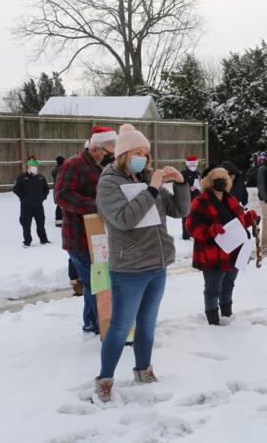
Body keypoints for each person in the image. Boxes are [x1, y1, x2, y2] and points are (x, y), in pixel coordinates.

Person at [93, 123, 190, 402]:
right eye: (138, 152)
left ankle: (143, 370)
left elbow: (180, 210)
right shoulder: (109, 182)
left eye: (147, 153)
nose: (145, 158)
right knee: (121, 326)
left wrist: (181, 183)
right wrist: (151, 189)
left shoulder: (147, 176)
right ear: (123, 154)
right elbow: (124, 219)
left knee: (148, 323)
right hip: (130, 268)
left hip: (157, 265)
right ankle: (105, 379)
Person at [56, 126, 117, 334]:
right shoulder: (74, 165)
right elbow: (62, 196)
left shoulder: (101, 167)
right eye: (109, 152)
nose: (112, 157)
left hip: (98, 236)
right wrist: (96, 205)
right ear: (96, 149)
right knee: (96, 285)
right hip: (79, 238)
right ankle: (104, 327)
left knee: (97, 282)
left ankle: (91, 324)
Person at [186, 165, 258, 325]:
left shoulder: (230, 199)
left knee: (228, 286)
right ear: (208, 181)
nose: (220, 181)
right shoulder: (200, 201)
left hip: (233, 253)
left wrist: (249, 219)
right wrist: (211, 230)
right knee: (212, 289)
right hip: (212, 254)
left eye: (223, 178)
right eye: (215, 178)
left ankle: (227, 315)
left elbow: (237, 224)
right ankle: (213, 322)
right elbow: (191, 227)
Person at [13, 155, 50, 247]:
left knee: (41, 223)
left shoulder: (40, 177)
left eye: (35, 166)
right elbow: (16, 189)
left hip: (38, 205)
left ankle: (43, 239)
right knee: (26, 224)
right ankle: (27, 241)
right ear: (28, 167)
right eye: (32, 166)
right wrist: (23, 198)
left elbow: (46, 189)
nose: (34, 168)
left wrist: (42, 198)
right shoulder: (22, 177)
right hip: (26, 206)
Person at [181, 155, 201, 240]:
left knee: (196, 216)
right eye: (191, 164)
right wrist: (189, 188)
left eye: (194, 164)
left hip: (197, 198)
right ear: (187, 164)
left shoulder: (198, 174)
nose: (193, 166)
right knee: (186, 216)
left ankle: (194, 232)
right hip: (186, 197)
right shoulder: (183, 174)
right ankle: (186, 234)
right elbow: (179, 186)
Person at [52, 156, 65, 227]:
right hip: (61, 190)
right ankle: (59, 221)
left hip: (56, 190)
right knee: (60, 206)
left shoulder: (54, 169)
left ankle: (59, 221)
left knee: (59, 205)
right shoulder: (62, 169)